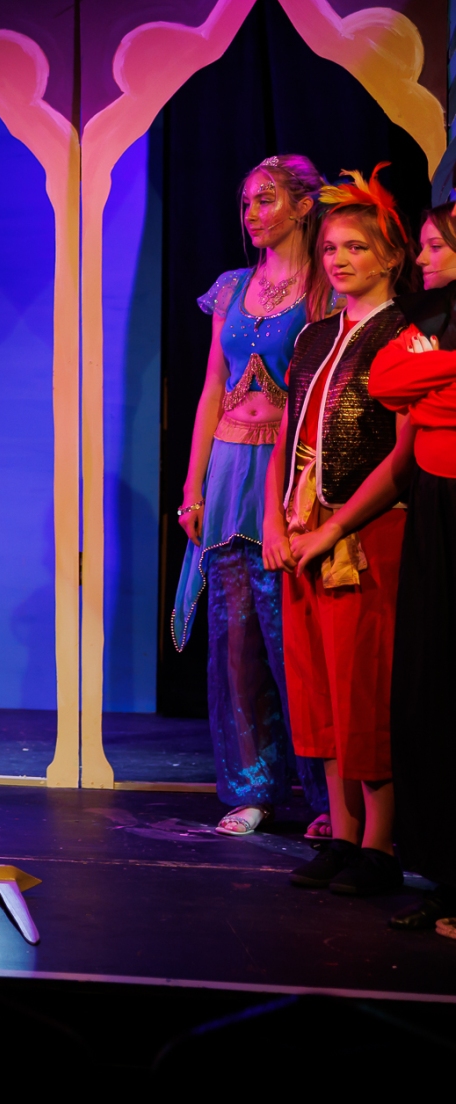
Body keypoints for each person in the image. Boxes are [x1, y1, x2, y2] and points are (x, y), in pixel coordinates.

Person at [171, 155, 331, 837]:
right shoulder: (232, 287)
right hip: (229, 468)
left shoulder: (324, 286)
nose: (253, 214)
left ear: (303, 205)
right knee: (234, 641)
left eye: (266, 200)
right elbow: (213, 384)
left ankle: (328, 798)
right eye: (246, 203)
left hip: (288, 471)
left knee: (294, 637)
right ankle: (250, 787)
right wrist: (192, 483)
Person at [270, 166, 418, 896]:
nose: (338, 259)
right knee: (317, 689)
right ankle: (342, 830)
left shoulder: (405, 336)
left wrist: (335, 531)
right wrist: (275, 522)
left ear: (390, 255)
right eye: (330, 247)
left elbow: (402, 457)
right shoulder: (314, 336)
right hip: (303, 528)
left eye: (355, 246)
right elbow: (285, 435)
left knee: (365, 686)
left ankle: (381, 843)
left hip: (365, 533)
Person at [367, 199, 456, 929]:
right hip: (435, 505)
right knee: (430, 685)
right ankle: (446, 877)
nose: (422, 259)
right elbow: (387, 381)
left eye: (434, 246)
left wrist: (436, 380)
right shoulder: (425, 318)